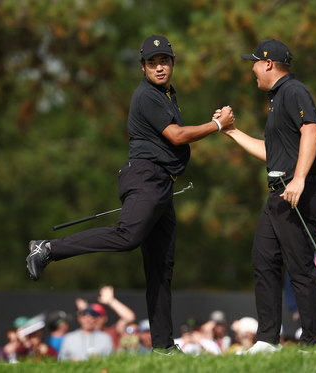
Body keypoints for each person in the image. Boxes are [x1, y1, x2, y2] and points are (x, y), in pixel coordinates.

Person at [26, 34, 235, 355]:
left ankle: (164, 347)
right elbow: (177, 136)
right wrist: (217, 125)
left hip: (161, 184)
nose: (160, 67)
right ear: (143, 67)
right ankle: (48, 248)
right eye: (153, 63)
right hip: (145, 177)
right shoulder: (148, 95)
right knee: (127, 237)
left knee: (161, 268)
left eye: (164, 61)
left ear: (173, 62)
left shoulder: (166, 94)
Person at [220, 39, 316, 353]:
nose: (252, 68)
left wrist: (298, 179)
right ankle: (268, 340)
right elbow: (273, 153)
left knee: (299, 266)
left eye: (254, 62)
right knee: (263, 260)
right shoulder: (277, 98)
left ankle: (313, 342)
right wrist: (231, 132)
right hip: (280, 193)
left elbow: (311, 130)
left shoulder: (294, 91)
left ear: (268, 64)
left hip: (299, 192)